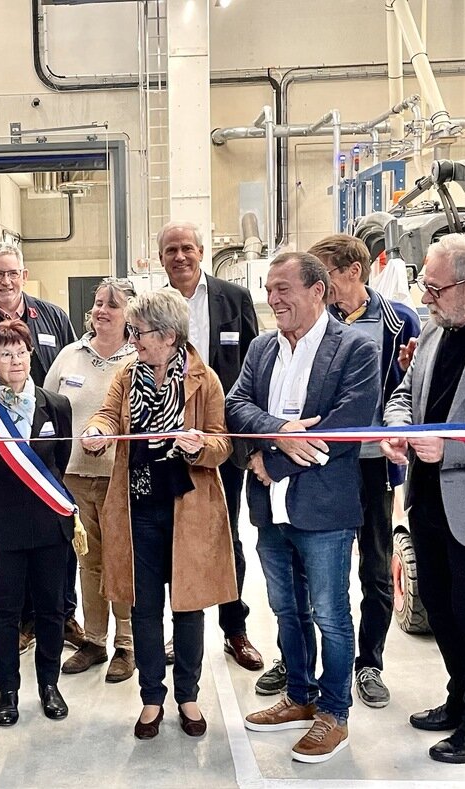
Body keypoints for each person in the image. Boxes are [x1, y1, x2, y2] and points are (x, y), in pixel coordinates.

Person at [226, 251, 379, 764]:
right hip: (269, 511)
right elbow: (235, 405)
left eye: (284, 289)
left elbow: (348, 423)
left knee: (331, 614)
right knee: (286, 609)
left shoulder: (356, 348)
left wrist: (277, 462)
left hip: (323, 509)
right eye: (269, 290)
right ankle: (299, 695)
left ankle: (334, 713)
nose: (273, 299)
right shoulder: (262, 348)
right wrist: (280, 434)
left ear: (318, 291)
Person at [82, 289, 237, 741]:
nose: (133, 339)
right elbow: (109, 415)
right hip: (137, 510)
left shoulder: (203, 379)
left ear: (168, 336)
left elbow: (223, 442)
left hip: (188, 511)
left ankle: (187, 695)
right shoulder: (126, 375)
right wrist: (98, 430)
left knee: (188, 608)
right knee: (144, 609)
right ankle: (152, 698)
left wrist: (200, 445)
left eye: (140, 332)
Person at [381, 234, 465, 765]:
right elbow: (403, 395)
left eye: (434, 288)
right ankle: (460, 699)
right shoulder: (436, 329)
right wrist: (397, 431)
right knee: (440, 605)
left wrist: (449, 447)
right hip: (426, 497)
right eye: (424, 286)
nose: (425, 297)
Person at [305, 233, 421, 708]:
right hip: (324, 464)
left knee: (374, 571)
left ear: (353, 270)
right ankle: (303, 664)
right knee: (314, 569)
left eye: (324, 275)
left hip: (373, 466)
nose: (318, 286)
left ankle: (368, 663)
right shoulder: (315, 321)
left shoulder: (400, 321)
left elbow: (409, 390)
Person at [0, 241, 82, 652]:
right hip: (0, 465)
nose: (6, 281)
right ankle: (25, 620)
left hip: (48, 458)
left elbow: (70, 372)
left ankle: (63, 614)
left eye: (13, 273)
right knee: (11, 546)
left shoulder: (56, 319)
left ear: (24, 275)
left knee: (58, 539)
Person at [0, 320, 75, 727]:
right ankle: (7, 691)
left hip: (49, 526)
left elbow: (59, 465)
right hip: (0, 526)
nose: (16, 360)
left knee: (51, 609)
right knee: (4, 611)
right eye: (5, 354)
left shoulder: (57, 405)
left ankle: (49, 685)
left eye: (21, 351)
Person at [158, 221, 263, 672]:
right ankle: (181, 628)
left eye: (187, 248)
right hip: (167, 444)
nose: (180, 257)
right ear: (160, 258)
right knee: (174, 537)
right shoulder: (154, 307)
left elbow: (255, 367)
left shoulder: (234, 300)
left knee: (227, 536)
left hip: (223, 440)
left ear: (202, 251)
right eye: (170, 251)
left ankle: (234, 629)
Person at [46, 277, 137, 683]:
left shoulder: (140, 357)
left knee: (124, 563)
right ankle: (95, 640)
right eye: (98, 303)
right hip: (76, 477)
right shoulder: (69, 355)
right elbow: (45, 410)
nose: (101, 310)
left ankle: (128, 644)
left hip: (124, 480)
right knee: (89, 562)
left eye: (111, 305)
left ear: (129, 314)